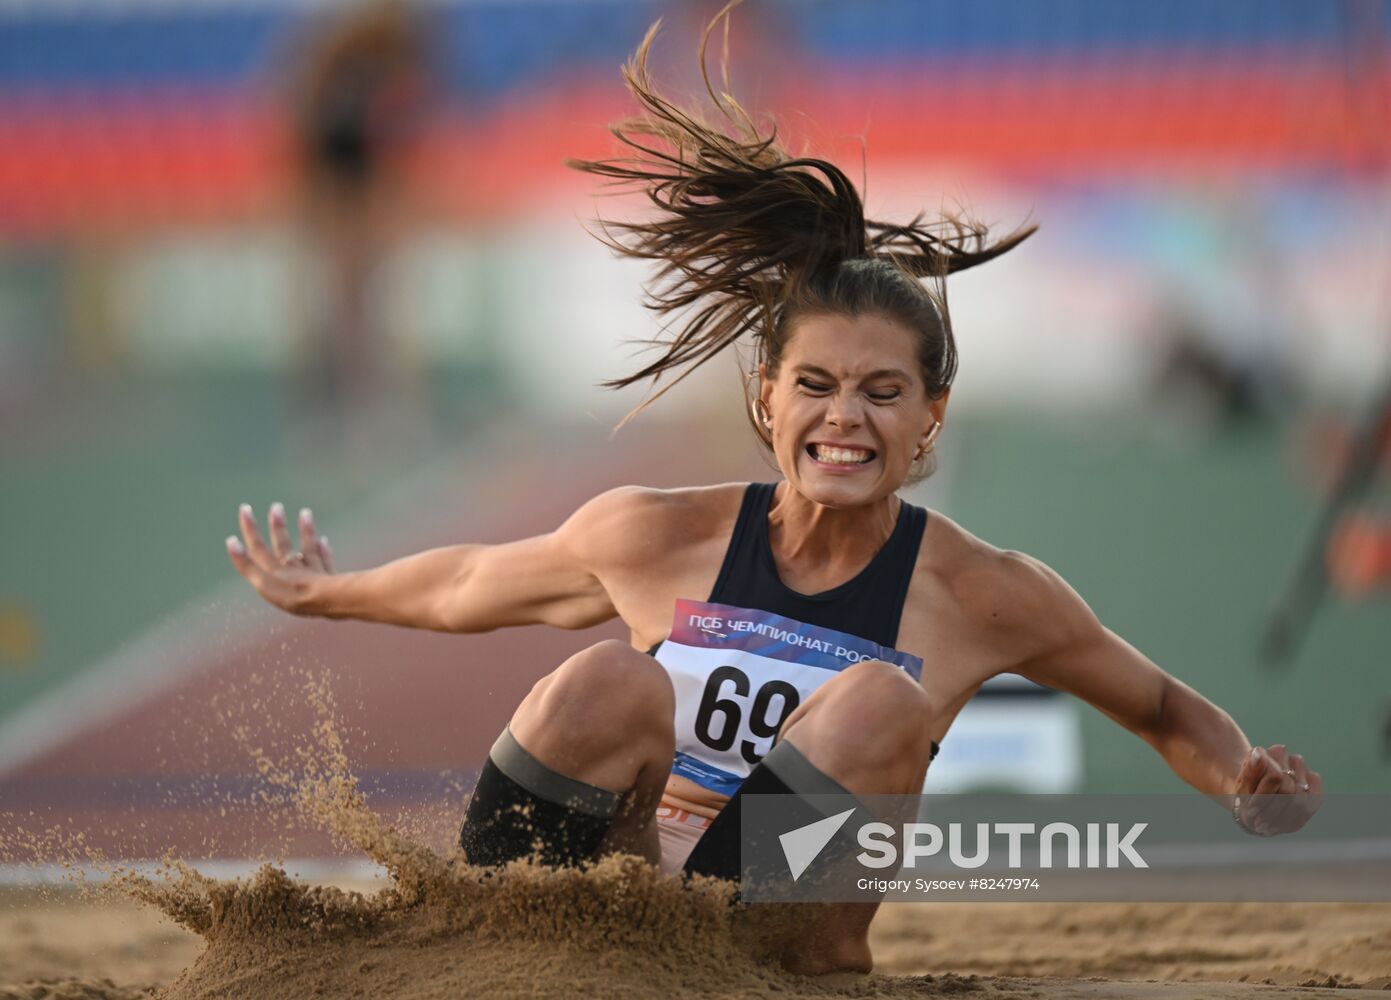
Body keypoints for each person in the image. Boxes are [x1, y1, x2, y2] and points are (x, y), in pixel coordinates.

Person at [226, 13, 1322, 975]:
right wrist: (330, 592)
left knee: (880, 701)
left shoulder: (979, 593)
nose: (844, 419)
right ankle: (474, 946)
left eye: (881, 393)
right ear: (766, 398)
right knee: (605, 679)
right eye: (815, 387)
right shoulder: (659, 533)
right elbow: (470, 581)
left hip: (770, 945)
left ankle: (728, 965)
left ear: (930, 416)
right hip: (614, 912)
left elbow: (1158, 706)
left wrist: (1241, 776)